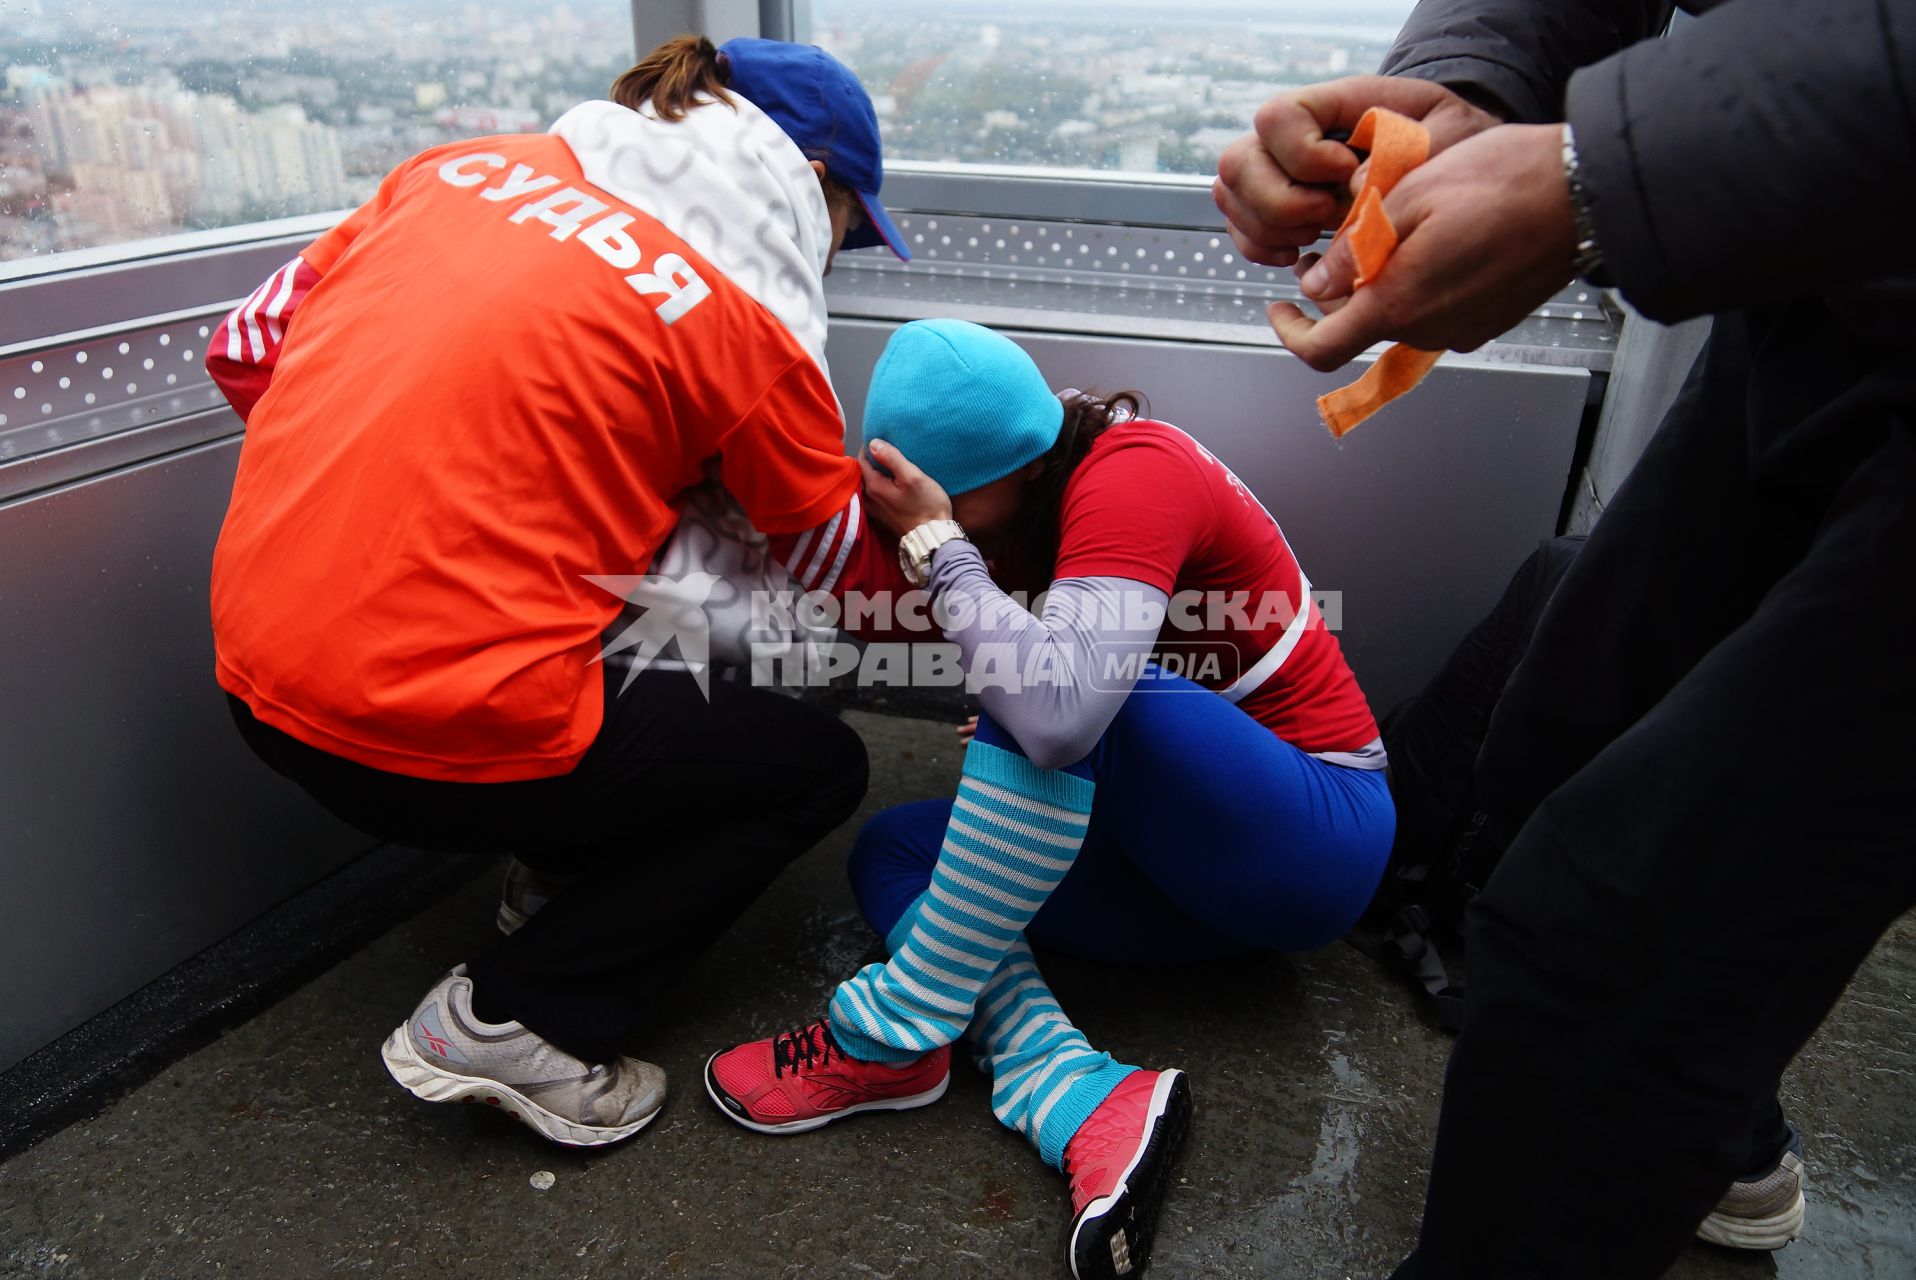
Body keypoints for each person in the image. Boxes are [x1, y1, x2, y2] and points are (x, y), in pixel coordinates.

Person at [1212, 1, 1916, 1275]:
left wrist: (1603, 169)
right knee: (1556, 739)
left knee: (1610, 925)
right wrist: (1465, 89)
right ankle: (1718, 1126)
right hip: (1830, 268)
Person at [204, 34, 909, 1147]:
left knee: (622, 607)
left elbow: (246, 349)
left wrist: (429, 503)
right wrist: (940, 548)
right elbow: (835, 582)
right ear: (808, 181)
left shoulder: (449, 172)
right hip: (433, 742)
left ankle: (559, 873)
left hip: (253, 683)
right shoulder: (741, 315)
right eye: (850, 231)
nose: (835, 258)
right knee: (808, 761)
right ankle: (521, 1018)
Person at [703, 320, 1396, 1279]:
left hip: (1315, 837)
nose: (920, 526)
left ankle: (888, 1035)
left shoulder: (1132, 470)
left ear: (1015, 471)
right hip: (1181, 865)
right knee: (895, 852)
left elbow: (1063, 714)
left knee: (1057, 703)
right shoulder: (1038, 487)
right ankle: (1072, 1091)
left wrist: (946, 555)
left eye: (942, 505)